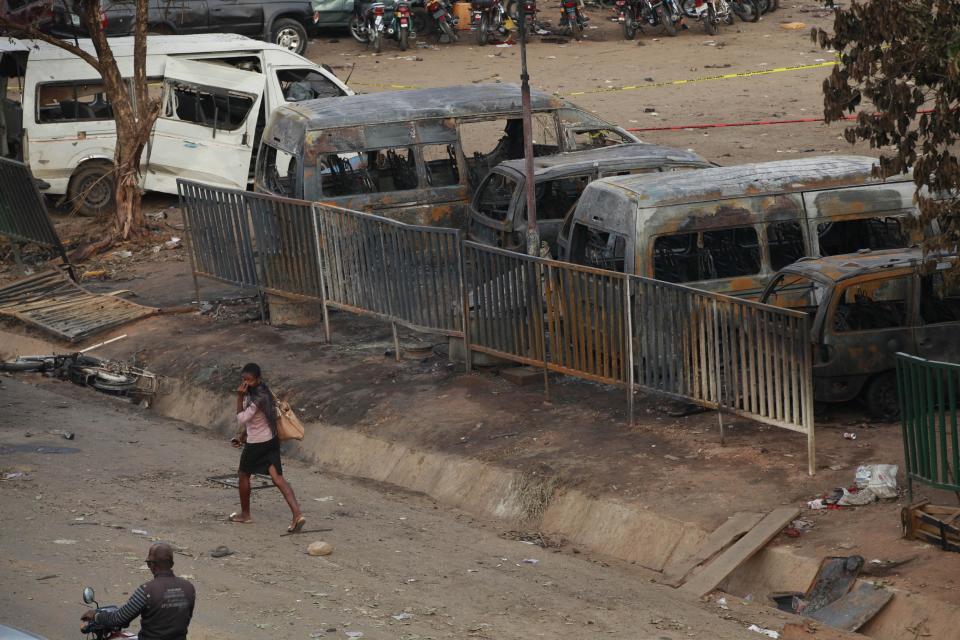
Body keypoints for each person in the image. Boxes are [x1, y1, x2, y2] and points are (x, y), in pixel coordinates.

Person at [229, 362, 305, 532]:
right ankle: (297, 515)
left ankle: (245, 515)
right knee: (277, 478)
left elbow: (242, 418)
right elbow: (256, 422)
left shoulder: (257, 397)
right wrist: (241, 437)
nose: (245, 383)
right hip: (271, 440)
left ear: (258, 379)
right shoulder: (264, 390)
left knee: (243, 475)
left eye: (249, 380)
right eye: (243, 379)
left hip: (257, 443)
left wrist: (239, 397)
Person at [81, 543, 195, 640]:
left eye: (148, 563)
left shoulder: (146, 590)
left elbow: (119, 619)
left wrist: (95, 615)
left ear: (151, 565)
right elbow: (186, 617)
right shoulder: (189, 588)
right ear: (172, 564)